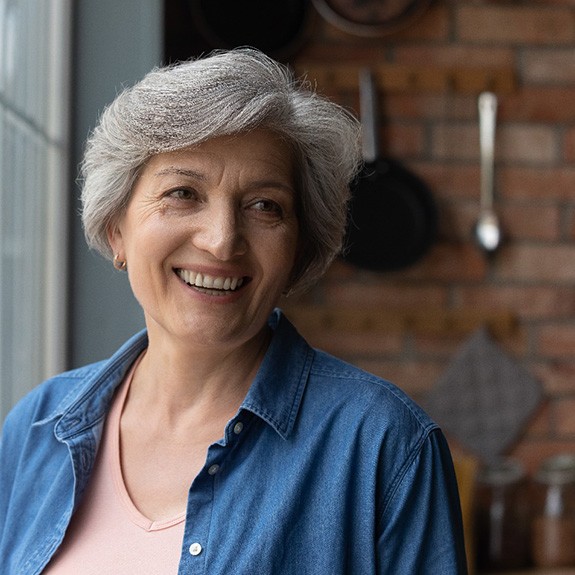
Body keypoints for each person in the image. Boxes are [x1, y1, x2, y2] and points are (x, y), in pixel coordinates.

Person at [0, 48, 467, 574]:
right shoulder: (36, 428)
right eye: (182, 193)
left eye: (265, 206)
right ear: (116, 228)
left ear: (297, 251)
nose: (223, 241)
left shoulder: (385, 446)